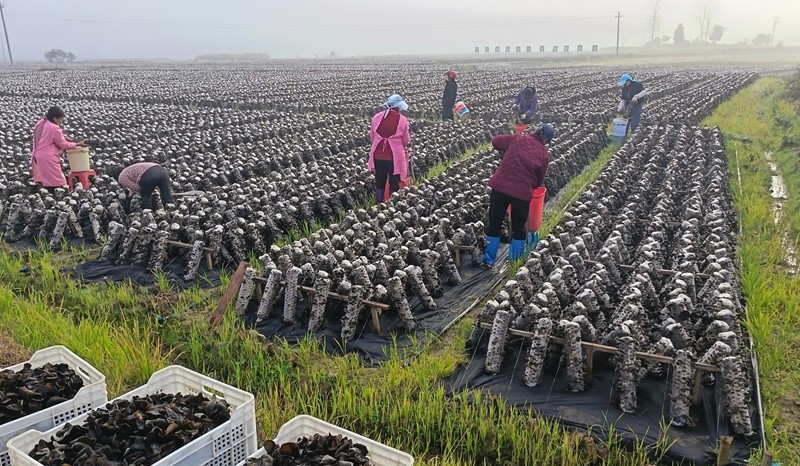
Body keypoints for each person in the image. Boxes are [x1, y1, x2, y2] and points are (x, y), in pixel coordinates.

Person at [483, 123, 554, 267]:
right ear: (546, 140)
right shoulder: (543, 156)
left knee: (495, 223)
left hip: (501, 188)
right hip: (521, 194)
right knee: (519, 227)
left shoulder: (518, 138)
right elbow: (538, 182)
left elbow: (496, 141)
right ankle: (514, 261)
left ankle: (488, 259)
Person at [30, 106, 87, 191]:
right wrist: (77, 144)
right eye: (60, 119)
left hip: (37, 155)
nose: (61, 121)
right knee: (57, 182)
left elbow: (51, 136)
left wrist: (67, 139)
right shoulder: (55, 128)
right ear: (54, 118)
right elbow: (63, 145)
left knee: (46, 180)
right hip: (48, 157)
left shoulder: (41, 123)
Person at [368, 94, 411, 203]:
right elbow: (406, 140)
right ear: (398, 107)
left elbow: (372, 136)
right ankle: (392, 203)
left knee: (380, 180)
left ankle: (379, 203)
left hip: (378, 153)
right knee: (394, 181)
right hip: (394, 156)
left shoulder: (376, 117)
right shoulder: (402, 120)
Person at [109, 162, 175, 210]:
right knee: (168, 197)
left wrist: (132, 193)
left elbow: (137, 188)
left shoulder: (121, 177)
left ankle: (149, 213)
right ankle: (172, 211)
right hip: (161, 170)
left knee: (145, 196)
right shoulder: (129, 169)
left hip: (149, 174)